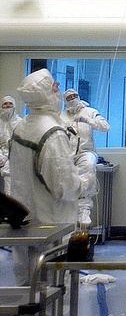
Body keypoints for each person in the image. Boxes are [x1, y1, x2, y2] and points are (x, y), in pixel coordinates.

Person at [8, 70, 95, 276]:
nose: (59, 91)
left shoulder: (22, 127)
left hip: (27, 223)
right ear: (46, 94)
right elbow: (64, 187)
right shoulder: (53, 133)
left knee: (27, 287)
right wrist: (85, 180)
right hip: (52, 226)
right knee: (53, 289)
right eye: (55, 88)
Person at [62, 90, 110, 225]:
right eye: (69, 98)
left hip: (85, 152)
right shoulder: (61, 116)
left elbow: (105, 127)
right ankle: (66, 213)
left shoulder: (90, 112)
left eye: (74, 96)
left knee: (88, 168)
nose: (72, 99)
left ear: (79, 97)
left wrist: (88, 120)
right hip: (66, 155)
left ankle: (84, 209)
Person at [0, 96, 22, 192]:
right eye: (5, 104)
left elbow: (22, 143)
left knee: (9, 173)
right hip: (2, 154)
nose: (8, 106)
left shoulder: (20, 122)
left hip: (17, 155)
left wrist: (9, 157)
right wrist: (1, 156)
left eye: (10, 104)